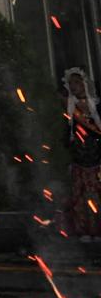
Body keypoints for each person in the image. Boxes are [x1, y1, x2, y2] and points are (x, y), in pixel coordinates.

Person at [64, 68, 100, 244]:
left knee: (96, 197)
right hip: (79, 161)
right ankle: (83, 230)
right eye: (71, 83)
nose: (74, 86)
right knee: (79, 198)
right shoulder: (70, 109)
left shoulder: (97, 105)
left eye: (77, 82)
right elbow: (66, 136)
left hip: (97, 161)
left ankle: (97, 231)